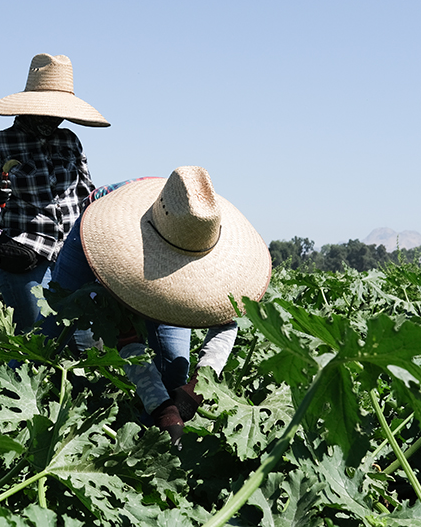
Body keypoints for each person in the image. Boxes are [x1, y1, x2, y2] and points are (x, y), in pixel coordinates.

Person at [42, 166, 272, 446]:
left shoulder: (198, 226)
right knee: (67, 338)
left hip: (168, 234)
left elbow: (227, 320)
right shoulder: (118, 246)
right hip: (101, 229)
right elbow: (126, 336)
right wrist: (163, 411)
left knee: (176, 367)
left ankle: (149, 440)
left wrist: (197, 388)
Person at [0, 53, 109, 333]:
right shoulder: (0, 143)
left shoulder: (69, 141)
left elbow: (86, 192)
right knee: (36, 340)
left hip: (69, 257)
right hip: (25, 253)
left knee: (77, 343)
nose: (55, 117)